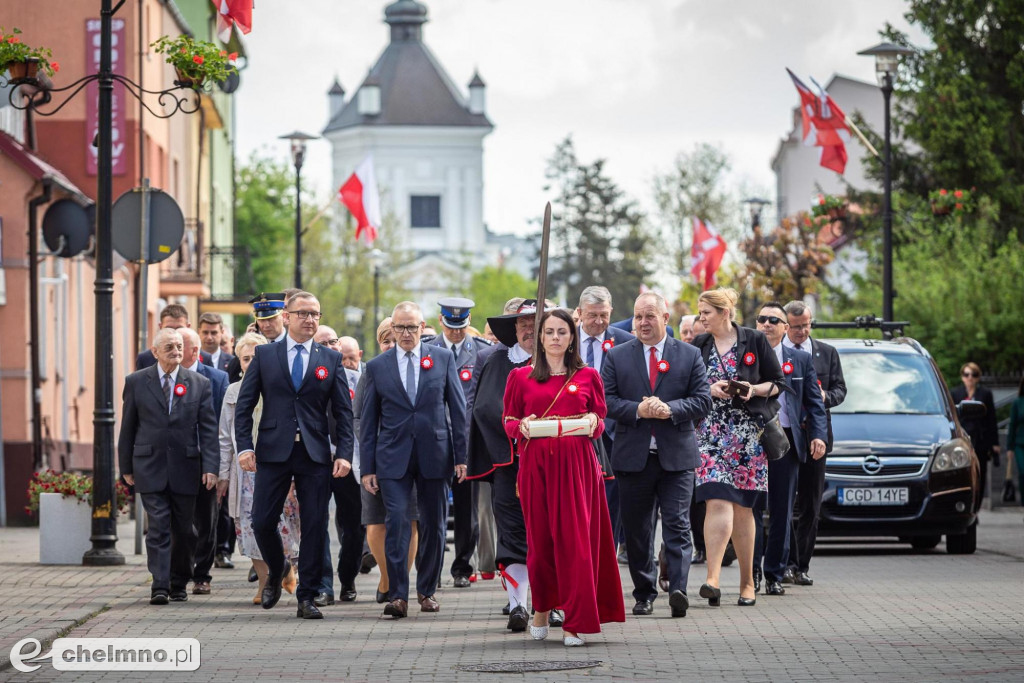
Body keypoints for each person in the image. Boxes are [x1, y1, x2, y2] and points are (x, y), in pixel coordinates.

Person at [503, 308, 625, 647]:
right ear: (540, 338)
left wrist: (589, 423)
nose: (556, 338)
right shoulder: (519, 377)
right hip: (536, 467)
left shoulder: (588, 377)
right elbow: (509, 421)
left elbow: (600, 420)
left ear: (572, 337)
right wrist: (522, 427)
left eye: (562, 332)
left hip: (577, 468)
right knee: (541, 544)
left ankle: (575, 621)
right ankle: (541, 609)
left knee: (576, 544)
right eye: (550, 332)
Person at [235, 292, 355, 620]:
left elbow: (344, 413)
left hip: (315, 454)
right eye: (302, 313)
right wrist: (244, 447)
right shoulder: (265, 355)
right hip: (273, 452)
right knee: (261, 520)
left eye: (315, 314)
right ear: (286, 317)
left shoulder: (329, 359)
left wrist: (344, 453)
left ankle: (307, 596)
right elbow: (244, 407)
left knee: (315, 524)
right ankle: (278, 568)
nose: (310, 319)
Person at [602, 292, 712, 620]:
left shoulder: (689, 355)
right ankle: (644, 592)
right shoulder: (618, 356)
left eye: (650, 316)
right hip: (633, 457)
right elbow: (606, 401)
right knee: (638, 530)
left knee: (677, 524)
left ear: (665, 318)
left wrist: (670, 409)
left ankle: (678, 589)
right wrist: (637, 409)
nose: (643, 323)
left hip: (676, 457)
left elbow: (703, 400)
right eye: (638, 317)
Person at [360, 302, 468, 619]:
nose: (406, 333)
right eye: (400, 327)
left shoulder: (443, 359)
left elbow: (458, 412)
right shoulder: (377, 367)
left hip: (435, 454)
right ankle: (397, 595)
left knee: (433, 524)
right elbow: (368, 422)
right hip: (392, 458)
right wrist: (368, 468)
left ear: (423, 328)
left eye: (412, 327)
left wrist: (461, 457)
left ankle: (427, 590)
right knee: (396, 522)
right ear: (392, 329)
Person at [467, 298, 563, 633]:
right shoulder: (498, 362)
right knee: (513, 534)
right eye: (522, 324)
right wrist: (518, 426)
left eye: (535, 324)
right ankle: (518, 605)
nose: (528, 330)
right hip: (512, 465)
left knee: (554, 534)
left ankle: (552, 603)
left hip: (557, 464)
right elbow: (483, 408)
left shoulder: (566, 365)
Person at [691, 288, 783, 607]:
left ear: (725, 313)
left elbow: (777, 383)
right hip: (711, 434)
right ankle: (712, 579)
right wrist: (708, 388)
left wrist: (751, 389)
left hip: (747, 435)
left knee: (744, 509)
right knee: (716, 500)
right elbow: (686, 385)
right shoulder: (699, 345)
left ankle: (747, 583)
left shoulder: (754, 341)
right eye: (700, 312)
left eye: (706, 312)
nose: (701, 318)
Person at [118, 328, 219, 605]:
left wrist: (211, 466)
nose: (176, 351)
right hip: (149, 465)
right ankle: (160, 586)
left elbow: (208, 430)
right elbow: (128, 426)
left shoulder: (198, 383)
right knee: (160, 526)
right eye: (170, 347)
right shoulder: (137, 382)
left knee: (185, 531)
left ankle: (179, 581)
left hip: (187, 467)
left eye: (179, 346)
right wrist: (125, 465)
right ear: (155, 352)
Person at [218, 332, 300, 604]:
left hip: (275, 462)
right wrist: (222, 474)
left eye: (256, 357)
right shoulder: (232, 391)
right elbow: (224, 435)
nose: (251, 363)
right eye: (245, 359)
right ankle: (265, 582)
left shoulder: (278, 385)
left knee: (283, 523)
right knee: (248, 525)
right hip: (244, 468)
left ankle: (283, 568)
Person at [750, 302, 826, 597]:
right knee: (752, 509)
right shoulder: (746, 356)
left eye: (773, 320)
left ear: (785, 327)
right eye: (761, 319)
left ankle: (774, 574)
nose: (766, 324)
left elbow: (814, 404)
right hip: (751, 441)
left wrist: (818, 436)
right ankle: (752, 570)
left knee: (782, 510)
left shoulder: (800, 359)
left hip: (787, 442)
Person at [783, 300, 847, 585]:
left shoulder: (827, 353)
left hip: (816, 436)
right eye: (796, 327)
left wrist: (824, 398)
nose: (801, 332)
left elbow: (840, 389)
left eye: (806, 326)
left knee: (810, 503)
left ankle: (802, 566)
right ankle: (784, 562)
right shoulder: (776, 352)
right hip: (785, 437)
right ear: (786, 326)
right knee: (784, 503)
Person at [357, 317, 420, 605]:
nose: (393, 344)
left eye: (396, 338)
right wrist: (368, 461)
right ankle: (386, 576)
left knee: (409, 522)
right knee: (376, 523)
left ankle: (399, 583)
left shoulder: (419, 366)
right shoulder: (372, 370)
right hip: (377, 459)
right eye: (387, 340)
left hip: (412, 458)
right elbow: (360, 418)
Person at [430, 296, 491, 587]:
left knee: (466, 510)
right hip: (433, 440)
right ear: (442, 320)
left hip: (465, 443)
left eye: (461, 326)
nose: (456, 331)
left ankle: (462, 567)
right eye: (452, 325)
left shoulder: (481, 352)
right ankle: (430, 568)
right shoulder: (427, 351)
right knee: (432, 506)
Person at [574, 286, 635, 568]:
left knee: (611, 499)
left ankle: (604, 557)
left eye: (604, 315)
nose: (598, 322)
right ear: (579, 313)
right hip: (572, 431)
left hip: (612, 432)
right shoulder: (564, 338)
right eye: (592, 316)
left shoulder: (624, 342)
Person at [312, 326, 365, 607]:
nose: (333, 346)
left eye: (334, 341)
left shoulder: (357, 378)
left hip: (350, 460)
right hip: (317, 458)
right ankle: (323, 585)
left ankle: (348, 578)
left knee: (354, 526)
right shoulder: (308, 376)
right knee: (317, 522)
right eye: (324, 342)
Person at [178, 328, 230, 596]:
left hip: (207, 460)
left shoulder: (218, 379)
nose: (175, 350)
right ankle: (179, 573)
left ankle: (202, 574)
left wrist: (220, 468)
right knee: (182, 522)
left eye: (180, 345)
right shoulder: (167, 376)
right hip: (176, 461)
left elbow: (220, 426)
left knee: (207, 521)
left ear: (194, 351)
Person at [951, 362, 1000, 499]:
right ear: (962, 377)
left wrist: (995, 443)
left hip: (980, 439)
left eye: (974, 375)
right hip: (962, 439)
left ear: (978, 377)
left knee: (980, 472)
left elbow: (991, 419)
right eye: (967, 374)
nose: (970, 378)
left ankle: (977, 502)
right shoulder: (955, 393)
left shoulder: (985, 394)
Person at [136, 304, 211, 370]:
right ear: (160, 326)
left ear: (188, 327)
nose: (174, 333)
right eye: (169, 328)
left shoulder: (204, 358)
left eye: (179, 328)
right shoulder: (145, 359)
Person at [1006, 377, 1024, 501]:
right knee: (1023, 472)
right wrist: (1009, 447)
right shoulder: (1018, 402)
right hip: (1020, 444)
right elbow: (1012, 425)